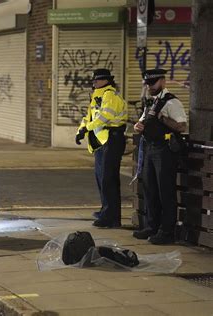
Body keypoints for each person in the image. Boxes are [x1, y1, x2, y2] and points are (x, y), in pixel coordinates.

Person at [132, 69, 187, 245]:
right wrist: (138, 126)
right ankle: (151, 226)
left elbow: (181, 126)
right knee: (150, 189)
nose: (150, 86)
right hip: (150, 148)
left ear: (163, 81)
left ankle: (166, 231)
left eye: (153, 83)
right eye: (147, 83)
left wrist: (163, 119)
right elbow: (142, 121)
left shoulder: (172, 102)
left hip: (164, 150)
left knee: (165, 191)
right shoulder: (150, 102)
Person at [75, 69, 128, 228]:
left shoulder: (109, 95)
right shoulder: (97, 95)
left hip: (112, 140)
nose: (94, 83)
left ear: (106, 80)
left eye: (97, 80)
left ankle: (111, 217)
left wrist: (88, 128)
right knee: (102, 179)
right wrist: (80, 130)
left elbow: (105, 117)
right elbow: (89, 117)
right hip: (101, 143)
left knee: (108, 180)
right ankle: (106, 210)